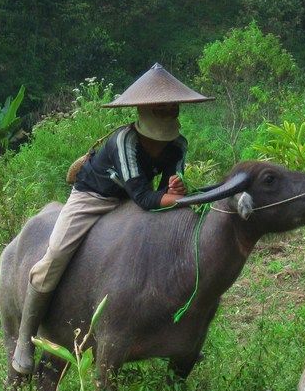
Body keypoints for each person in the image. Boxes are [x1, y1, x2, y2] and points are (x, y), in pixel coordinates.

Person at [11, 63, 212, 375]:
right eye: (160, 107)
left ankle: (174, 337)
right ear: (144, 110)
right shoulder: (125, 142)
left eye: (172, 106)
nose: (168, 110)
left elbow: (167, 187)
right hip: (94, 198)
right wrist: (178, 199)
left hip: (134, 206)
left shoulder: (178, 145)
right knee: (55, 256)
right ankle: (25, 339)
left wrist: (177, 188)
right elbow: (146, 197)